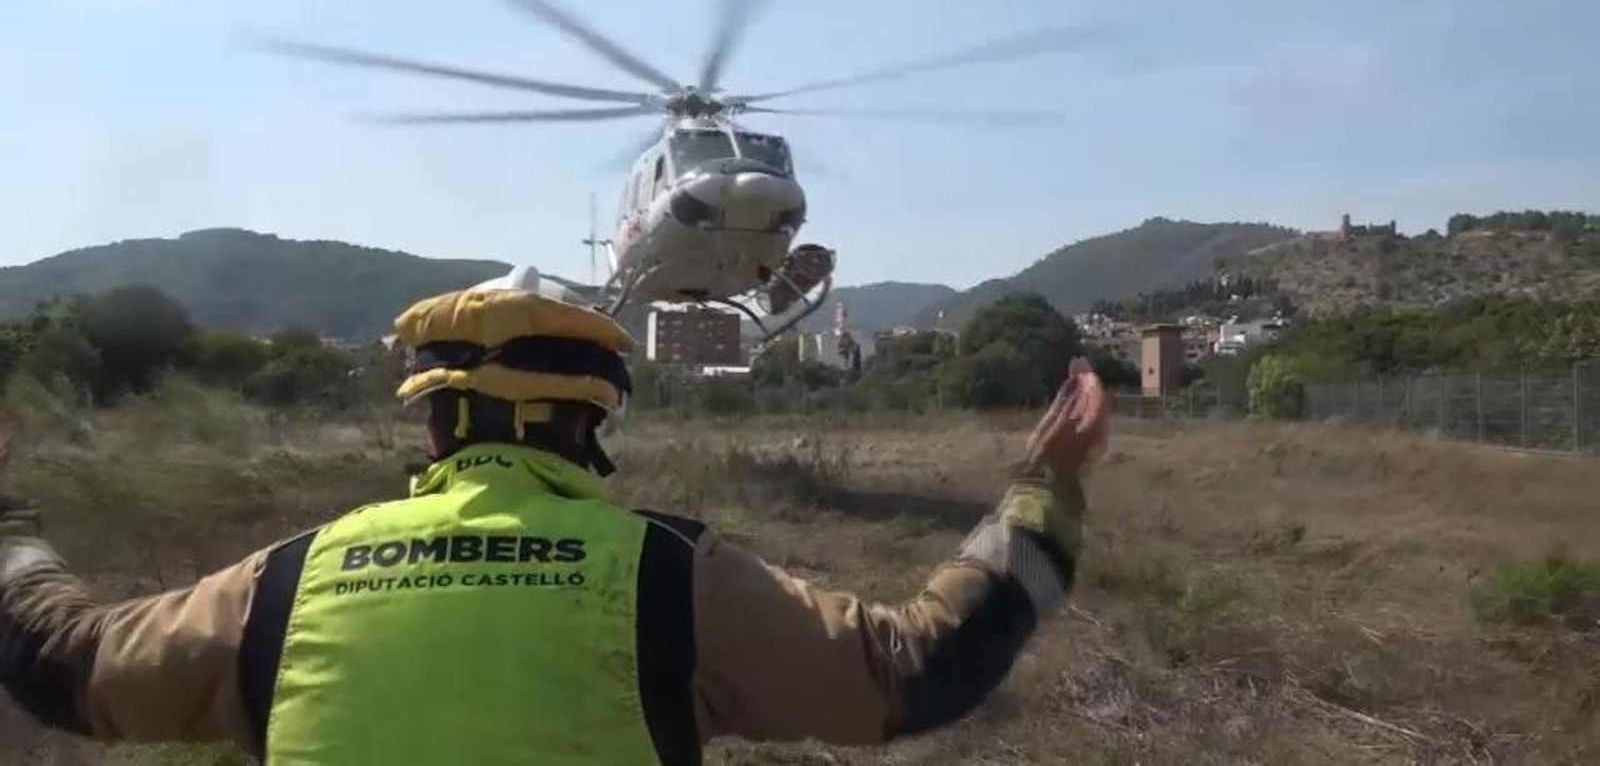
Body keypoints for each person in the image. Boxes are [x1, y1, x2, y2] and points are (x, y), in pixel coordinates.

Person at [0, 286, 1109, 764]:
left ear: (433, 426)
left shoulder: (281, 584)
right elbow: (918, 668)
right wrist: (1043, 487)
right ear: (591, 431)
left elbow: (60, 658)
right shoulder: (668, 577)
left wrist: (7, 517)